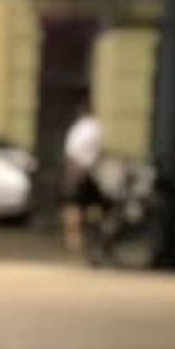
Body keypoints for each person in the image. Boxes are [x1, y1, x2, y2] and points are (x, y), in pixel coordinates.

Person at [62, 102, 105, 254]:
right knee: (93, 204)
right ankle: (89, 236)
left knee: (75, 204)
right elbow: (96, 150)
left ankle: (74, 238)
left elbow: (71, 151)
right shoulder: (93, 127)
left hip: (77, 168)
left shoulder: (77, 128)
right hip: (85, 170)